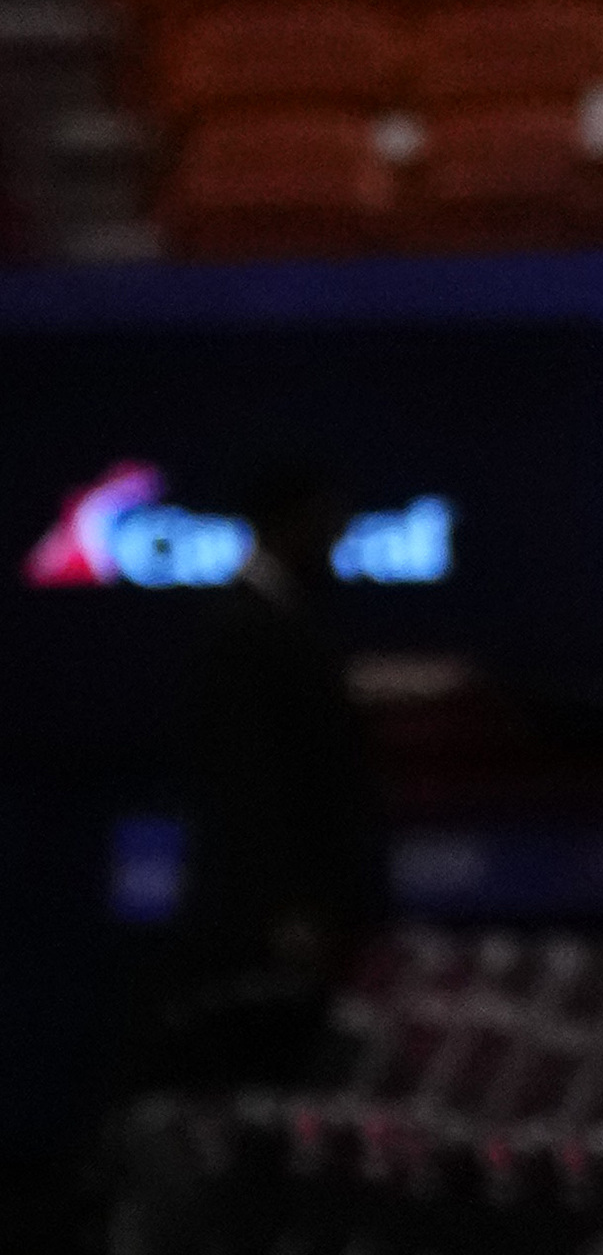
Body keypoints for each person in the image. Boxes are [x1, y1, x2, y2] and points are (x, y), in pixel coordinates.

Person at [162, 456, 387, 1088]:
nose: (339, 538)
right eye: (329, 522)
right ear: (293, 524)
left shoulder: (288, 619)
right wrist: (286, 905)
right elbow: (249, 783)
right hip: (269, 916)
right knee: (263, 1075)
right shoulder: (243, 630)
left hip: (309, 903)